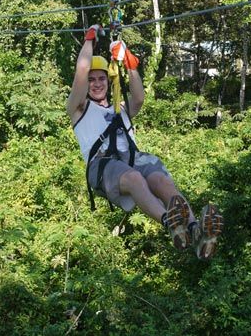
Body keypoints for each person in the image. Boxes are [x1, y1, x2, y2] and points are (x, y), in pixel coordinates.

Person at [66, 24, 223, 259]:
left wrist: (129, 63)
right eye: (92, 80)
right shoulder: (79, 109)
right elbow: (80, 74)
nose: (97, 84)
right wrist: (89, 41)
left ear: (108, 82)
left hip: (132, 159)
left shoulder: (119, 108)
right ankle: (170, 223)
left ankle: (195, 230)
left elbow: (138, 97)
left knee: (161, 180)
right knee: (134, 178)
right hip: (103, 165)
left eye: (101, 79)